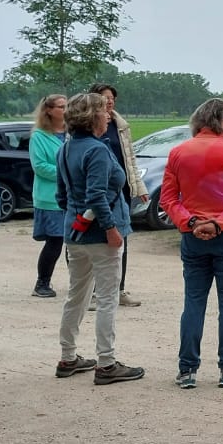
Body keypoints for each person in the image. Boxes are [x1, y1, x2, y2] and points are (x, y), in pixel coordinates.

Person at [161, 98, 223, 390]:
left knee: (193, 301)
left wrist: (191, 222)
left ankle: (187, 368)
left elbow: (168, 198)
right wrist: (220, 222)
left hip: (193, 236)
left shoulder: (178, 153)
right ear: (221, 121)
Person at [56, 92, 144, 384]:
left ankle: (68, 357)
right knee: (107, 298)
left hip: (74, 233)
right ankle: (106, 363)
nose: (108, 115)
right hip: (100, 235)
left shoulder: (65, 150)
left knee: (76, 295)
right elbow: (96, 194)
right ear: (92, 117)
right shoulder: (98, 150)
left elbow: (62, 196)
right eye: (104, 111)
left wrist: (76, 216)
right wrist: (110, 228)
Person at [88, 82, 147, 307]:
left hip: (120, 191)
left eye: (112, 97)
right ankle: (93, 292)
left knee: (121, 240)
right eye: (104, 97)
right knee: (96, 241)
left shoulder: (121, 125)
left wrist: (138, 187)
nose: (110, 101)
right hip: (98, 191)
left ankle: (119, 289)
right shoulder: (87, 126)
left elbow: (130, 159)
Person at [29, 94, 67, 299]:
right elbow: (40, 167)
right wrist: (67, 173)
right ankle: (42, 282)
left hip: (72, 196)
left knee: (76, 241)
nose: (66, 110)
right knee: (55, 241)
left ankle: (79, 281)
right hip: (50, 197)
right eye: (61, 106)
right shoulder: (39, 136)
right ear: (49, 110)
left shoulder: (72, 133)